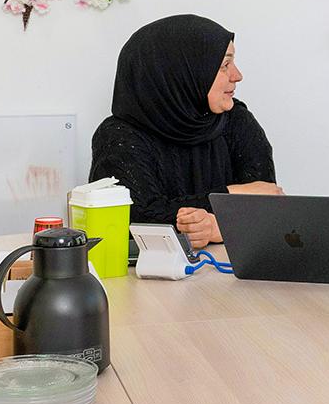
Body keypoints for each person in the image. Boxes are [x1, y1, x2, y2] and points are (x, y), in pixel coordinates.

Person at [89, 14, 281, 249]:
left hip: (229, 267)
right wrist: (229, 196)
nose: (237, 75)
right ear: (182, 72)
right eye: (224, 66)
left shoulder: (235, 120)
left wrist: (216, 227)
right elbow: (135, 218)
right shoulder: (119, 135)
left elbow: (267, 205)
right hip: (147, 271)